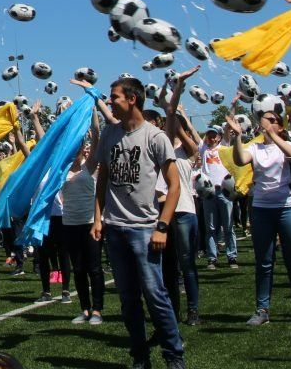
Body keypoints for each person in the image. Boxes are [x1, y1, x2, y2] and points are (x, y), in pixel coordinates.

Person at [90, 77, 186, 369]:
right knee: (128, 299)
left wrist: (162, 227)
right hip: (115, 228)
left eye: (114, 97)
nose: (110, 102)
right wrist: (98, 218)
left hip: (145, 228)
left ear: (132, 99)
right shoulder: (109, 134)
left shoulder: (155, 137)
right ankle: (140, 356)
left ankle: (173, 355)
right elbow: (103, 178)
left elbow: (174, 186)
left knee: (155, 295)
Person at [225, 91, 291, 327]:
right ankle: (262, 309)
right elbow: (241, 159)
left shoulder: (287, 143)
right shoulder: (256, 148)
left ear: (280, 126)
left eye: (273, 120)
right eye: (266, 119)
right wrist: (238, 136)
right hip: (261, 208)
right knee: (264, 261)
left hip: (287, 207)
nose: (267, 122)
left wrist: (275, 134)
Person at [159, 70, 202, 326]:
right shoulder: (161, 145)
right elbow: (169, 111)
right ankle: (171, 311)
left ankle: (193, 310)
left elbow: (172, 113)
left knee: (187, 265)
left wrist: (179, 87)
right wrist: (166, 85)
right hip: (164, 212)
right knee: (168, 267)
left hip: (185, 211)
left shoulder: (187, 151)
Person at [61, 142, 104, 325]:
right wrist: (35, 118)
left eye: (78, 150)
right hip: (70, 224)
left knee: (94, 268)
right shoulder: (61, 171)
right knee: (78, 269)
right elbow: (47, 141)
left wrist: (93, 113)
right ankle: (85, 309)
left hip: (90, 224)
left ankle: (97, 310)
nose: (76, 153)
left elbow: (96, 138)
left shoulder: (89, 167)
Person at [196, 126, 237, 269]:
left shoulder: (224, 147)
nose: (211, 138)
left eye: (214, 136)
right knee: (211, 228)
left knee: (228, 226)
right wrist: (182, 114)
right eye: (209, 135)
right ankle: (212, 258)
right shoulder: (203, 149)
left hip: (224, 191)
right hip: (209, 192)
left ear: (219, 137)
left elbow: (227, 133)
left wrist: (232, 109)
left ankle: (231, 257)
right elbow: (195, 134)